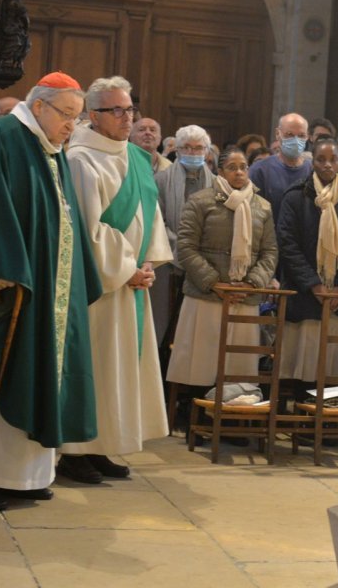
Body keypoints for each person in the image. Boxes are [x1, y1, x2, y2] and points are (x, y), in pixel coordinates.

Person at [0, 71, 103, 512]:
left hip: (49, 286)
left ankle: (26, 475)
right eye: (67, 115)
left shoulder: (51, 148)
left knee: (41, 370)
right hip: (8, 284)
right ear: (40, 106)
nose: (72, 125)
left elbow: (62, 212)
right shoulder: (0, 136)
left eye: (77, 117)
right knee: (0, 371)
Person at [59, 77, 172, 484]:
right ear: (93, 115)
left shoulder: (138, 159)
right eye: (117, 111)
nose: (127, 118)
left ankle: (105, 444)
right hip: (101, 286)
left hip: (133, 282)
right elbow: (87, 228)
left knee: (121, 370)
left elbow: (151, 215)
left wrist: (149, 264)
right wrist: (126, 269)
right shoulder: (80, 159)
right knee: (98, 366)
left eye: (130, 110)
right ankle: (75, 451)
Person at [165, 147, 277, 409]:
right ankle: (197, 415)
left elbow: (270, 251)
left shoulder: (262, 206)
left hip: (245, 297)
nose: (239, 172)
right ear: (220, 170)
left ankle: (233, 416)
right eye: (232, 167)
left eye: (243, 167)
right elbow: (186, 246)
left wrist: (251, 283)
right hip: (207, 295)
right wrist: (216, 283)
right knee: (202, 359)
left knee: (238, 363)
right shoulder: (201, 201)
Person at [275, 138, 338, 400]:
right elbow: (287, 243)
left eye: (333, 159)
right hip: (304, 292)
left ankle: (330, 417)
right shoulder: (296, 196)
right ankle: (303, 420)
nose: (327, 165)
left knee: (334, 364)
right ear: (312, 161)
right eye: (321, 159)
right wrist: (313, 283)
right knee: (304, 362)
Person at [154, 124, 216, 347]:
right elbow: (156, 222)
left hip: (205, 263)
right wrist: (183, 249)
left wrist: (199, 255)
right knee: (166, 322)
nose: (192, 153)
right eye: (186, 148)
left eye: (198, 148)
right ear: (177, 151)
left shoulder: (218, 185)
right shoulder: (161, 180)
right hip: (169, 262)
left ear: (207, 151)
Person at [249, 112, 312, 222]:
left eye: (301, 136)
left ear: (307, 136)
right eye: (289, 134)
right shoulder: (260, 170)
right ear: (278, 134)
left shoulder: (313, 171)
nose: (296, 141)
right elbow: (253, 216)